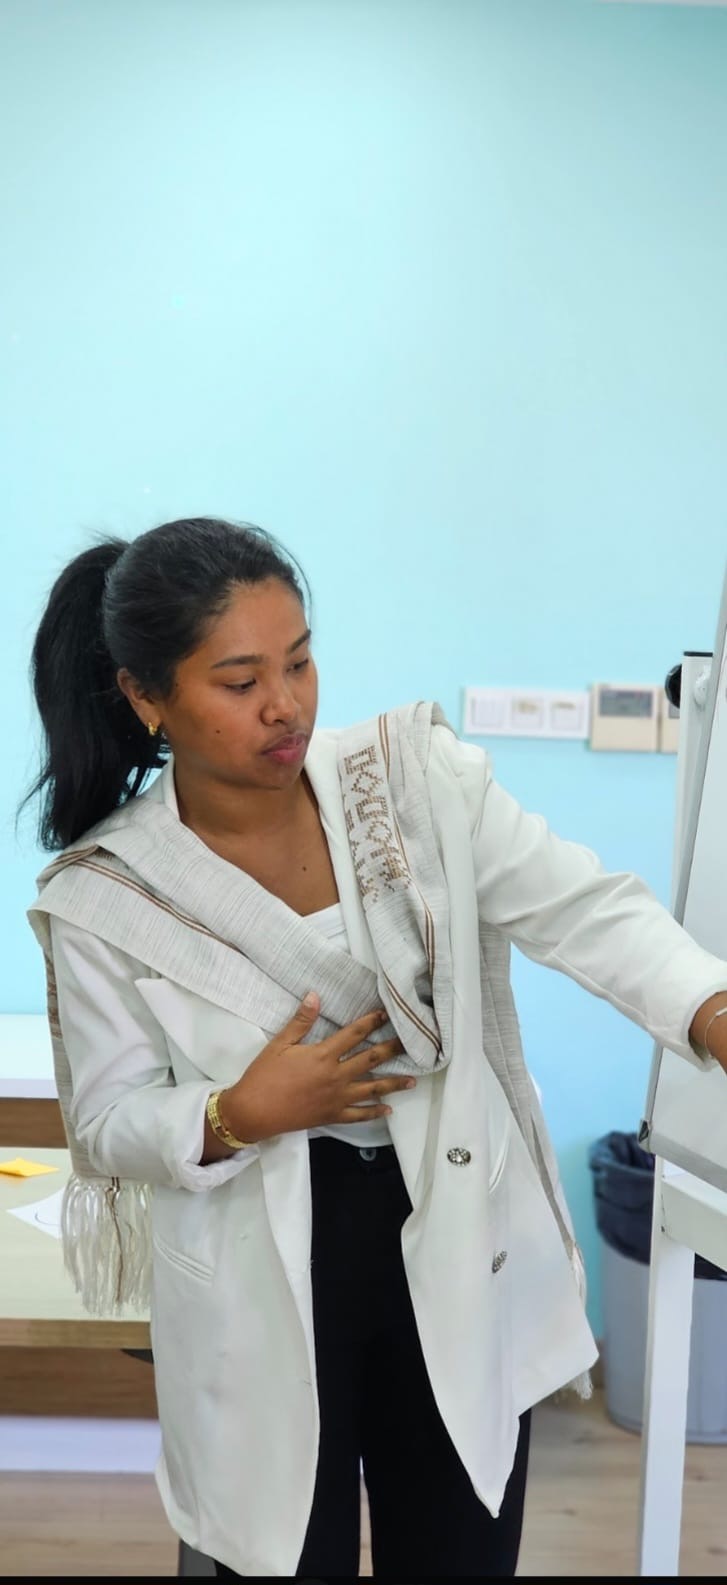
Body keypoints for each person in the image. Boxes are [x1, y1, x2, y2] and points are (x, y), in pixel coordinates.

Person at [22, 516, 727, 1580]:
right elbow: (107, 1120)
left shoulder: (413, 780)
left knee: (457, 1545)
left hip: (445, 1225)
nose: (286, 704)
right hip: (263, 1256)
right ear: (145, 697)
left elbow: (583, 911)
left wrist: (709, 1009)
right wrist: (236, 1113)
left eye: (300, 661)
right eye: (240, 680)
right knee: (276, 1552)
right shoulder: (105, 895)